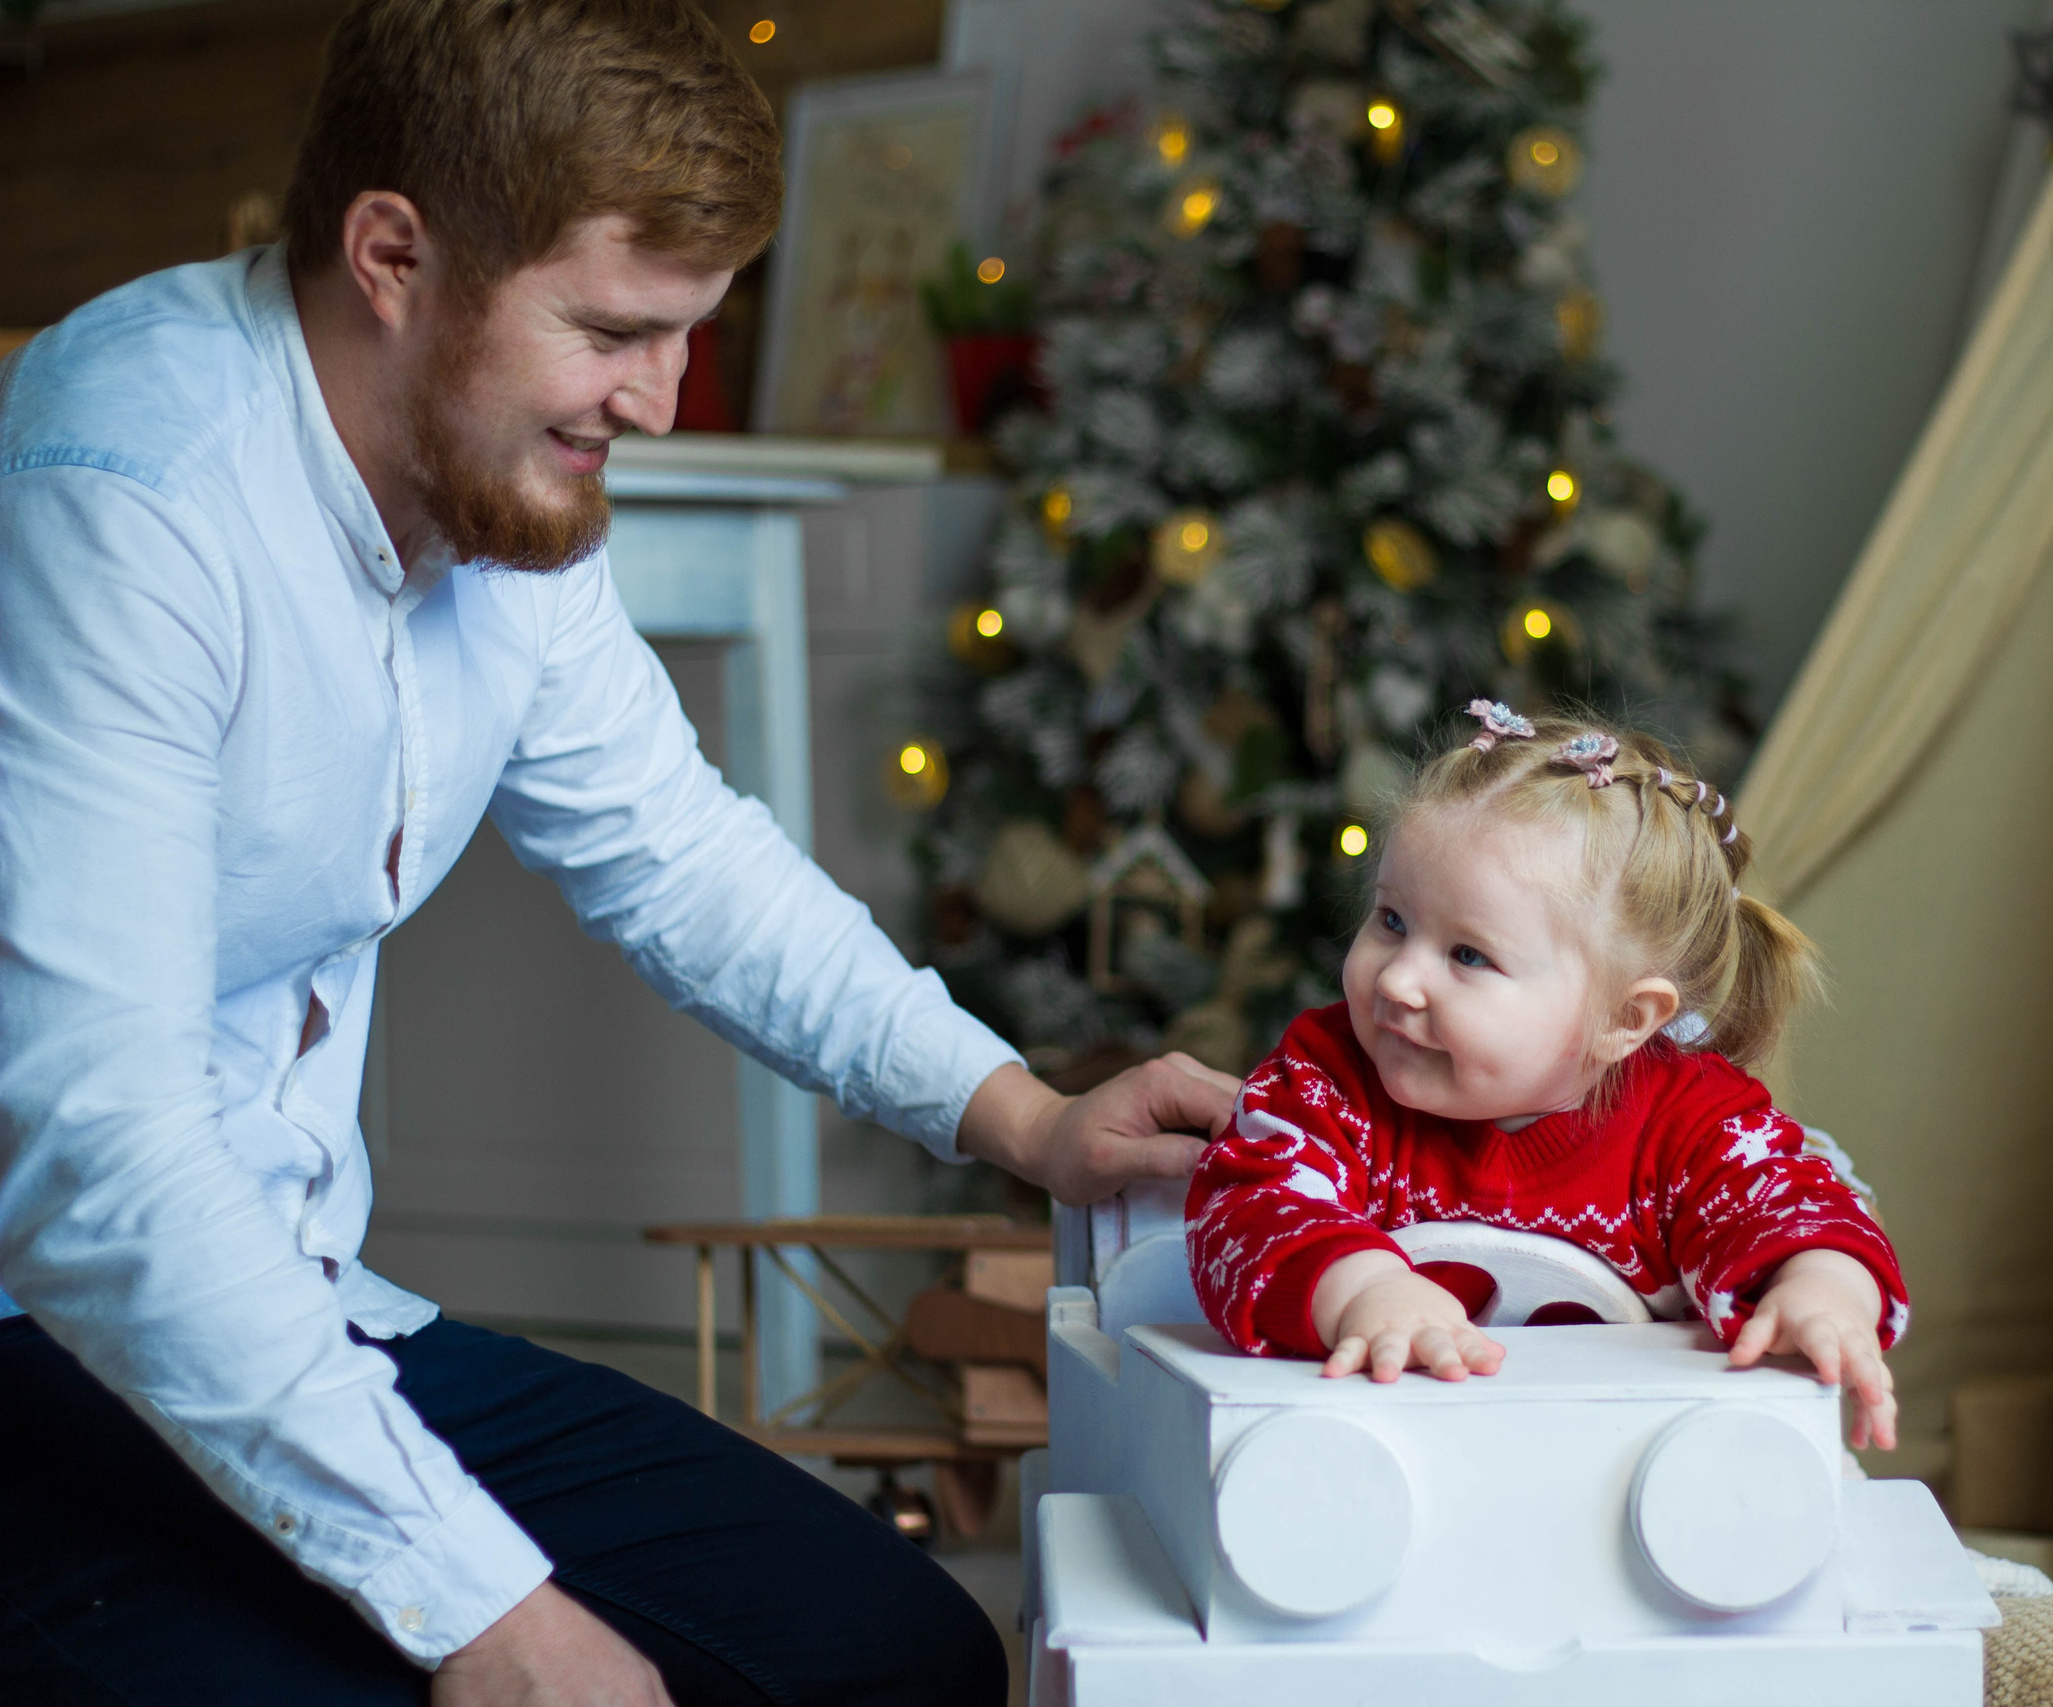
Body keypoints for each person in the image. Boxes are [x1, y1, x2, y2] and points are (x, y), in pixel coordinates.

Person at [0, 1, 1234, 1702]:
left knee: (898, 1653)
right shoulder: (129, 489)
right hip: (41, 1332)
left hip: (303, 1300)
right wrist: (485, 1612)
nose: (657, 402)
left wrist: (1024, 1117)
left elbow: (679, 854)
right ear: (392, 257)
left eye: (688, 333)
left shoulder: (498, 478)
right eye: (610, 330)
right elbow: (100, 1152)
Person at [1185, 702, 1906, 1451]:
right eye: (1392, 920)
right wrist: (1362, 1288)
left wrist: (1821, 1290)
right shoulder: (1329, 1080)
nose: (1397, 980)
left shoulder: (1694, 1124)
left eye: (1468, 955)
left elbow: (1794, 1208)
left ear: (1623, 1019)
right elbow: (1243, 1205)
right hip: (1381, 1450)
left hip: (1626, 1460)